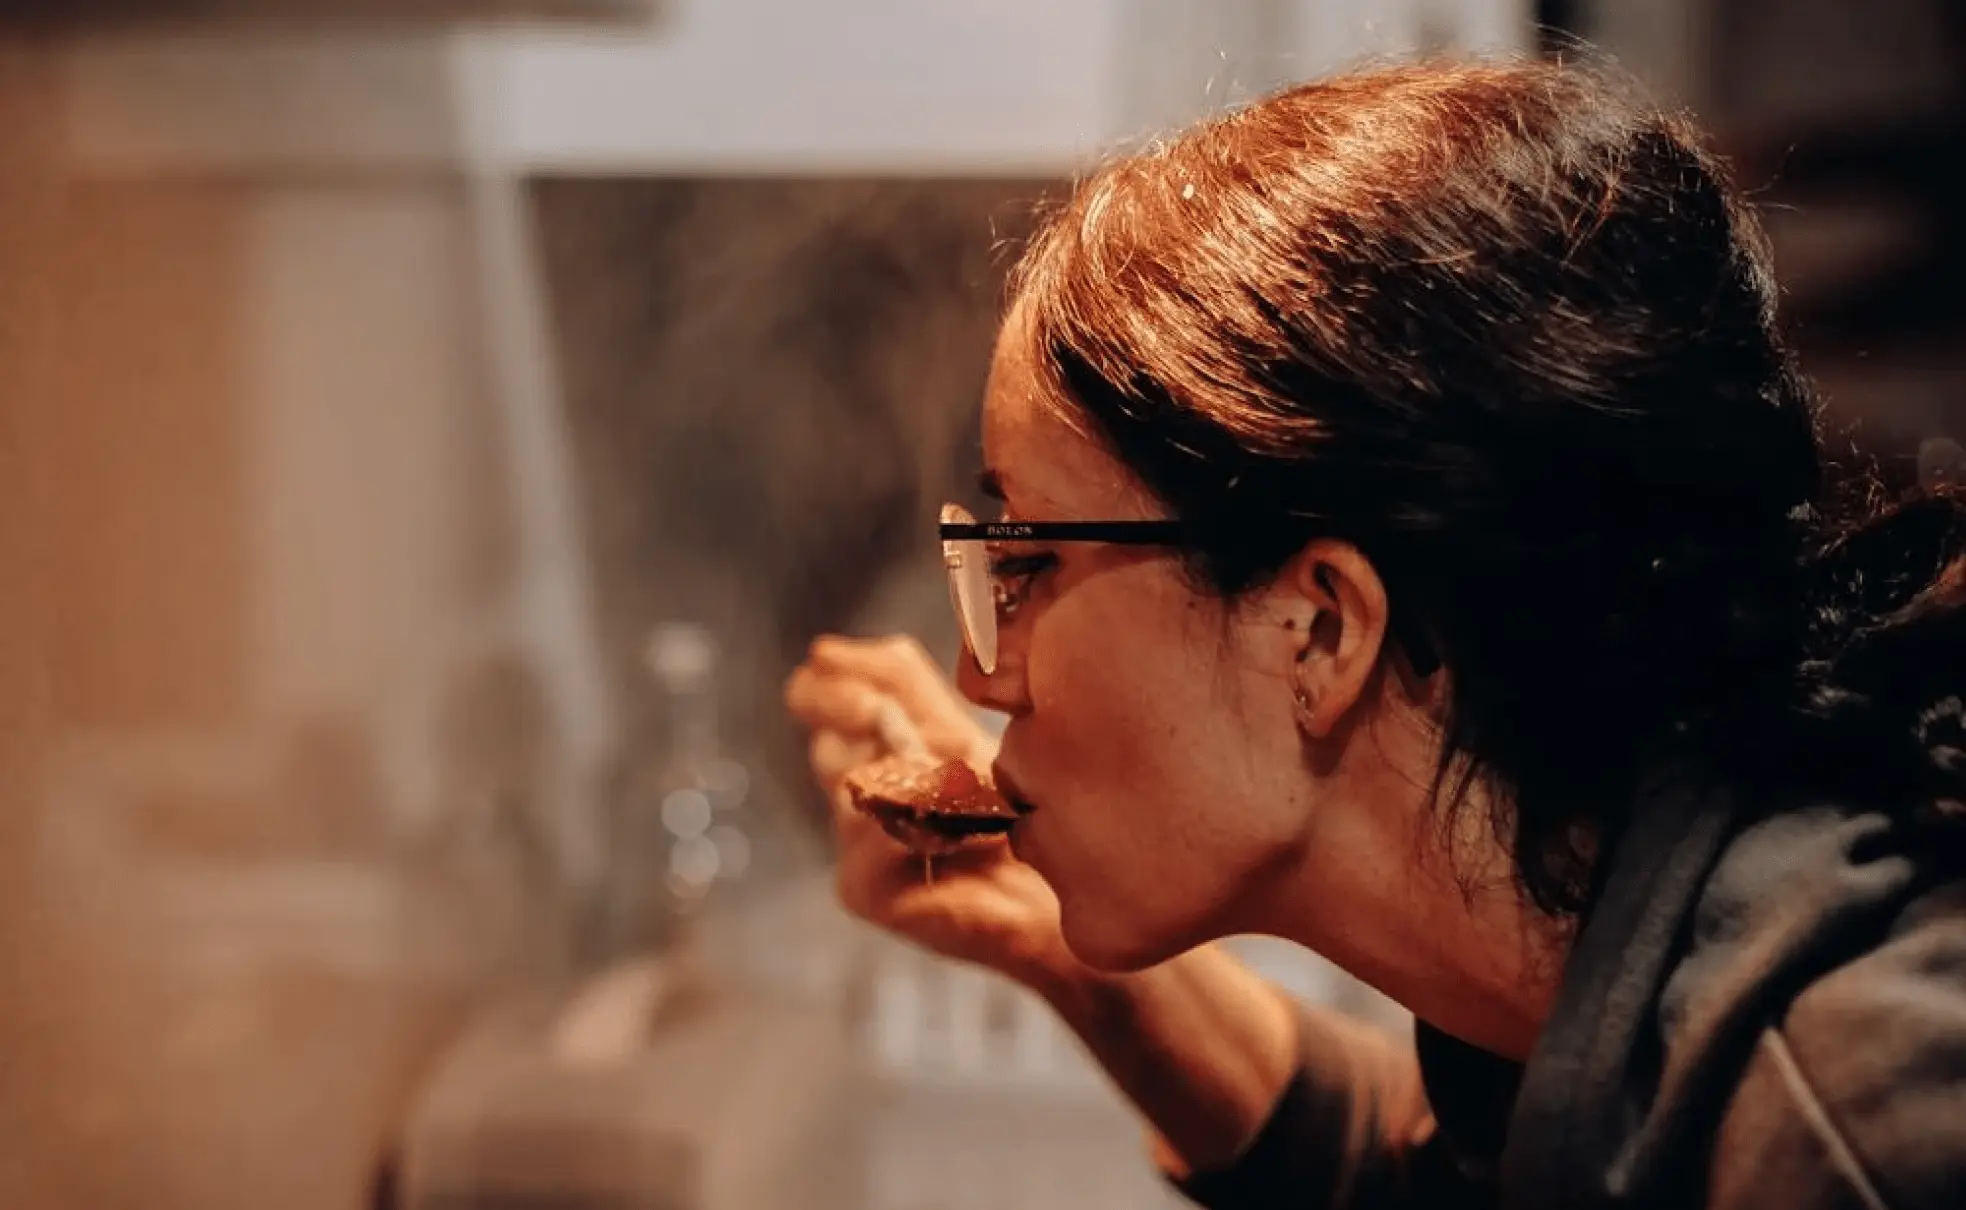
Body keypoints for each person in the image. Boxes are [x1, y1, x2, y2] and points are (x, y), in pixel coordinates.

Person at [784, 57, 1966, 1210]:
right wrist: (1055, 944)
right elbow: (1400, 1164)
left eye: (1030, 558)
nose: (979, 674)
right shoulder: (1614, 988)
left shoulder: (1847, 1136)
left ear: (1318, 629)